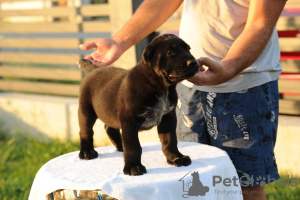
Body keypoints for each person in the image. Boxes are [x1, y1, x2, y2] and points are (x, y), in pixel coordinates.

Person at [78, 0, 287, 199]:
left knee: (241, 186)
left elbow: (261, 21)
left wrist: (230, 68)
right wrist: (120, 40)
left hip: (243, 85)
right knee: (188, 181)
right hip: (186, 87)